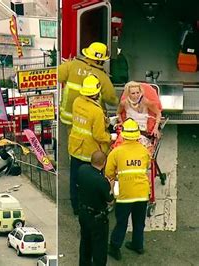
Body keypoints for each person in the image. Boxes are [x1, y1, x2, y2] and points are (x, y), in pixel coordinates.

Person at [106, 118, 150, 261]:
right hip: (142, 193)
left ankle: (114, 247)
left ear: (123, 135)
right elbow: (147, 166)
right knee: (139, 222)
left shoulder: (116, 152)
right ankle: (138, 245)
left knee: (121, 222)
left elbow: (109, 173)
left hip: (125, 195)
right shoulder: (144, 151)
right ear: (137, 135)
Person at [68, 74, 111, 215]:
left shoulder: (77, 102)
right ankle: (95, 204)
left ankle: (75, 206)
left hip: (75, 147)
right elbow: (98, 135)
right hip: (89, 151)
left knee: (75, 179)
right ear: (97, 92)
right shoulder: (96, 111)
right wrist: (110, 137)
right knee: (92, 181)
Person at [58, 42, 119, 127]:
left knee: (73, 137)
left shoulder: (71, 65)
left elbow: (58, 77)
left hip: (69, 116)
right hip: (89, 120)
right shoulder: (102, 76)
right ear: (101, 60)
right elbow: (111, 99)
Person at [78, 151, 114, 266]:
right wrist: (111, 186)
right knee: (99, 248)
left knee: (85, 243)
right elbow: (110, 200)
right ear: (104, 163)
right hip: (97, 218)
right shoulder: (101, 181)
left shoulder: (82, 169)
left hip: (83, 213)